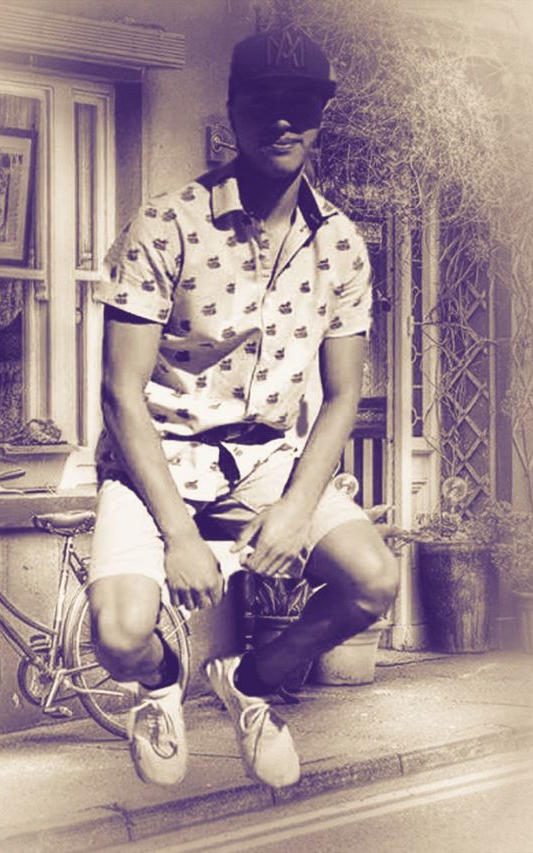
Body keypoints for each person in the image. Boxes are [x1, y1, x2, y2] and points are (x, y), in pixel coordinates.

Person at [89, 24, 399, 790]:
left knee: (373, 580)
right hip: (157, 453)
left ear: (321, 115)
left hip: (266, 460)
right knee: (120, 635)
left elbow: (342, 395)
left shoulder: (343, 246)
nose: (282, 119)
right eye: (263, 101)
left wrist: (294, 512)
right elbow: (120, 392)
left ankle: (251, 680)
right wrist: (178, 534)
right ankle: (164, 681)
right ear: (233, 109)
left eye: (301, 103)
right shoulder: (166, 224)